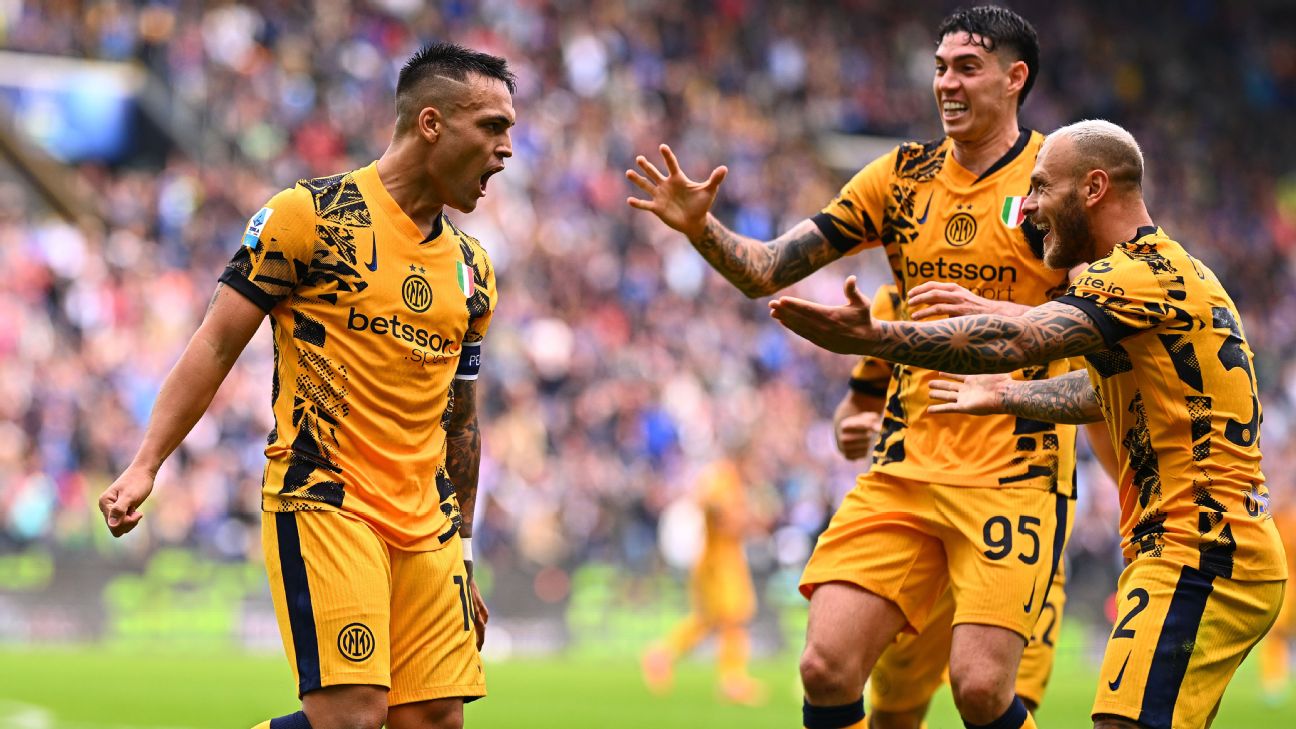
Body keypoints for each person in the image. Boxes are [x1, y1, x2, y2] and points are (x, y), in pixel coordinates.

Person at [629, 7, 1073, 728]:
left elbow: (1099, 324)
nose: (947, 84)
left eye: (967, 68)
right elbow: (767, 268)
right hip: (905, 467)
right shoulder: (900, 177)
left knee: (982, 690)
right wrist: (701, 229)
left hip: (1013, 475)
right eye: (940, 68)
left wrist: (897, 341)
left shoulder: (1058, 180)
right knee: (825, 664)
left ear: (1015, 77)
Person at [770, 118, 1288, 729]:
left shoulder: (1128, 275)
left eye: (1042, 188)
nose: (1030, 205)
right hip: (1185, 547)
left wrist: (878, 337)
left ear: (1093, 189)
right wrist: (1010, 397)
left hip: (1204, 548)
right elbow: (1098, 390)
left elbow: (1018, 340)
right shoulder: (1158, 273)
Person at [95, 42, 515, 729]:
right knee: (351, 717)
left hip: (427, 522)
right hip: (327, 495)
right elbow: (217, 341)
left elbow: (461, 419)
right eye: (493, 127)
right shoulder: (311, 217)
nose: (505, 150)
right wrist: (146, 462)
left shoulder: (472, 270)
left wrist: (464, 551)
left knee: (433, 718)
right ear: (432, 123)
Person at [836, 284, 1119, 729]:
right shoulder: (900, 296)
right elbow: (855, 404)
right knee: (893, 712)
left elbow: (1105, 397)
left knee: (994, 694)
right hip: (919, 525)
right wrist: (849, 429)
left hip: (1015, 519)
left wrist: (1130, 492)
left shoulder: (1063, 293)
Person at [641, 455, 771, 705]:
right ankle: (732, 681)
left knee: (709, 619)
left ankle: (661, 654)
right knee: (734, 618)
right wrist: (737, 517)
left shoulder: (733, 481)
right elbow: (709, 503)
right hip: (718, 562)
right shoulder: (723, 477)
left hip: (723, 559)